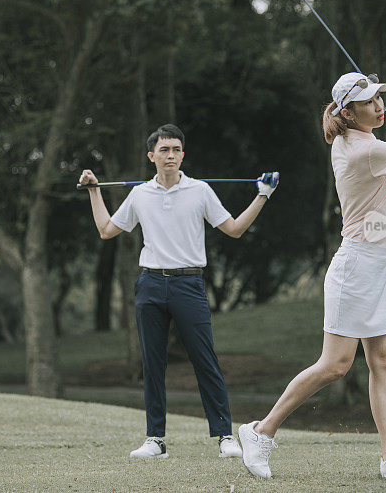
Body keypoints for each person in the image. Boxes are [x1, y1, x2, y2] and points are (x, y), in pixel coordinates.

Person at [238, 72, 386, 480]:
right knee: (335, 365)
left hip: (378, 262)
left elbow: (383, 176)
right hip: (356, 266)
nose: (379, 107)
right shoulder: (367, 148)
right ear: (348, 112)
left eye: (380, 98)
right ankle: (260, 432)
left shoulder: (356, 142)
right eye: (368, 102)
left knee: (383, 361)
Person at [80, 123, 278, 459]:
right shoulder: (140, 194)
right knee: (152, 363)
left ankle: (224, 435)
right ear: (151, 156)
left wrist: (262, 195)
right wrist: (94, 190)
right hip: (151, 284)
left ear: (182, 155)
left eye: (176, 150)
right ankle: (155, 439)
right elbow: (106, 230)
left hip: (188, 283)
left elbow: (234, 229)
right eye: (164, 150)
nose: (170, 155)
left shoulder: (200, 191)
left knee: (205, 360)